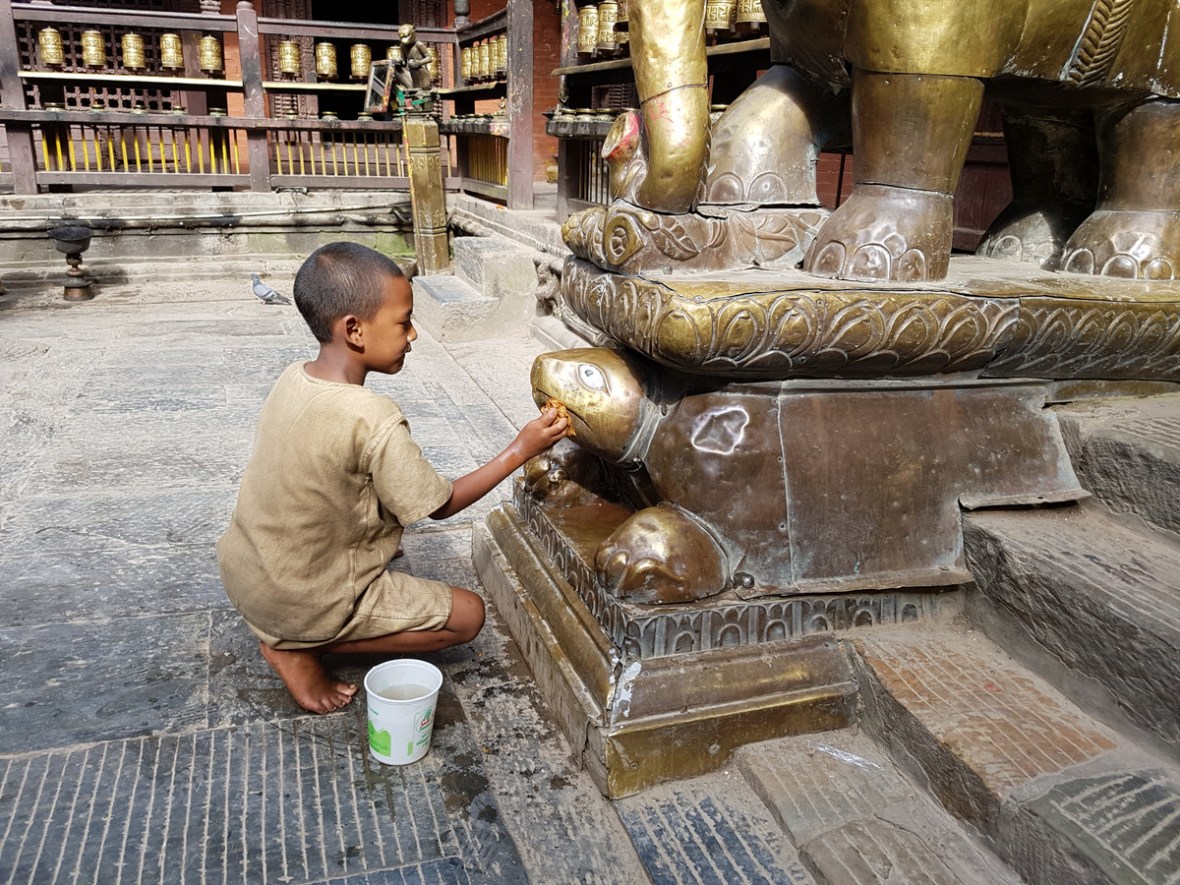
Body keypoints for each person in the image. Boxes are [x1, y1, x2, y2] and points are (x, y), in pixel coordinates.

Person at [217, 241, 568, 713]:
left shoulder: (294, 376)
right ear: (354, 330)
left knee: (379, 498)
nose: (413, 335)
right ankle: (297, 648)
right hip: (297, 600)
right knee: (467, 616)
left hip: (247, 572)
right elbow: (441, 505)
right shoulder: (371, 416)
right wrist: (521, 449)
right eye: (404, 322)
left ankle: (300, 628)